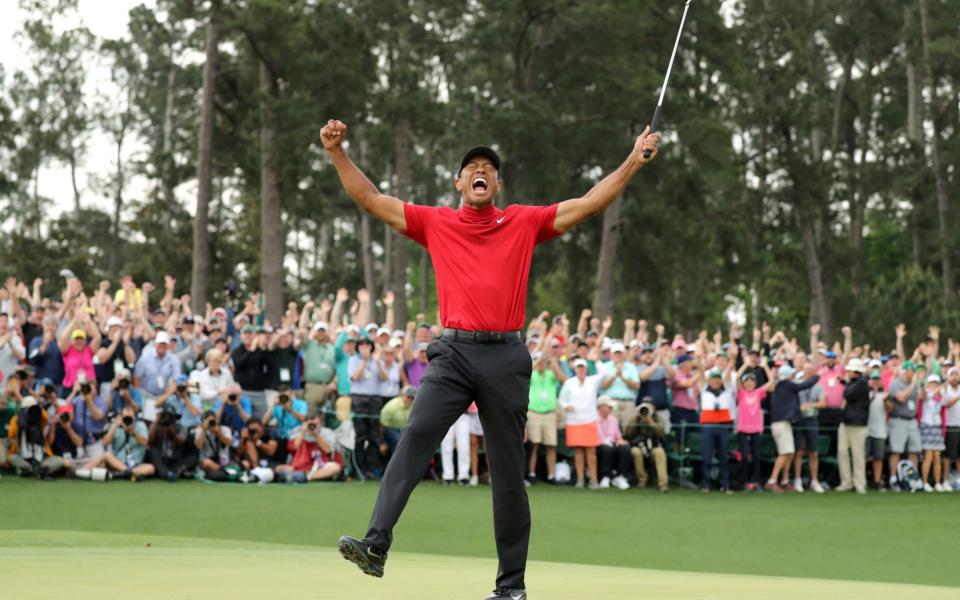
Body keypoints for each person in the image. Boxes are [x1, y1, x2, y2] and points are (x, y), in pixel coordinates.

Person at [323, 115, 660, 600]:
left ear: (497, 183)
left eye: (489, 167)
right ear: (459, 182)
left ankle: (511, 588)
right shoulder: (436, 221)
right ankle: (375, 546)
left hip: (506, 356)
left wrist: (633, 160)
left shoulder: (522, 221)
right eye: (471, 167)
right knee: (416, 435)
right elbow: (371, 199)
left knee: (506, 472)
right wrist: (337, 151)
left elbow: (588, 204)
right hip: (453, 353)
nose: (480, 170)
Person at [765, 364, 820, 492]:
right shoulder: (786, 384)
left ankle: (784, 480)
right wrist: (817, 375)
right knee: (785, 453)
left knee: (789, 452)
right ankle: (772, 481)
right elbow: (805, 385)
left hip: (784, 422)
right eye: (791, 374)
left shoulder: (782, 385)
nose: (793, 375)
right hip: (781, 423)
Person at [558, 359, 604, 489]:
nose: (581, 369)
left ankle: (594, 480)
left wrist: (596, 361)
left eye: (583, 367)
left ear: (586, 369)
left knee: (591, 452)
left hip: (590, 420)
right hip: (574, 421)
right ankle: (580, 479)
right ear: (575, 369)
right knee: (578, 452)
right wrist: (566, 406)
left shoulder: (592, 381)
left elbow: (604, 373)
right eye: (579, 367)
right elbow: (562, 399)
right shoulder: (569, 383)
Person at [349, 337, 386, 479]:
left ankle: (371, 468)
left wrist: (377, 363)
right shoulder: (353, 360)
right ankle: (359, 468)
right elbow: (355, 377)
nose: (365, 347)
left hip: (374, 399)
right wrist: (364, 361)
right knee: (360, 435)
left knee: (374, 436)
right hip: (359, 398)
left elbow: (384, 378)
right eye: (362, 345)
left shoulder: (377, 361)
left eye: (367, 345)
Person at [735, 361, 774, 492]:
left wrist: (765, 367)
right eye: (747, 381)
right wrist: (745, 364)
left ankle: (756, 481)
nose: (750, 383)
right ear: (744, 383)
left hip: (756, 429)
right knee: (745, 457)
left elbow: (771, 382)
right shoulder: (741, 393)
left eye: (752, 381)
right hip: (743, 429)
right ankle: (745, 482)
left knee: (757, 456)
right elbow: (736, 377)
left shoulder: (758, 393)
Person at [526, 350, 565, 483]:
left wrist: (552, 362)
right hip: (534, 413)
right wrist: (537, 361)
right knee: (534, 445)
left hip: (549, 413)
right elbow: (526, 372)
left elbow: (562, 378)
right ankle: (531, 473)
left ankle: (551, 475)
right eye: (538, 361)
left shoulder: (550, 374)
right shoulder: (532, 374)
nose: (541, 363)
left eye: (543, 361)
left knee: (551, 446)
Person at [87, 406, 154, 480]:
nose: (128, 420)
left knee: (150, 468)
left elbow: (145, 442)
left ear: (134, 417)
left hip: (136, 464)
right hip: (118, 463)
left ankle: (121, 474)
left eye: (130, 417)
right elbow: (104, 443)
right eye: (125, 417)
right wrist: (115, 425)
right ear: (121, 417)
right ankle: (129, 473)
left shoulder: (140, 425)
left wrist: (132, 432)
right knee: (107, 455)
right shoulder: (117, 426)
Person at [699, 364, 736, 494]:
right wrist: (699, 359)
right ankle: (706, 484)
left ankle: (725, 485)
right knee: (707, 457)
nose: (715, 381)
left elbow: (728, 374)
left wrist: (731, 360)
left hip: (723, 425)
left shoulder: (726, 390)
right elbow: (700, 370)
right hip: (708, 425)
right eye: (713, 379)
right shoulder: (704, 389)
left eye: (718, 379)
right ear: (709, 380)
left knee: (724, 456)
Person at [886, 361, 923, 490]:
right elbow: (901, 398)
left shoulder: (916, 383)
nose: (914, 374)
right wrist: (913, 384)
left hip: (912, 420)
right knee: (896, 450)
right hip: (898, 419)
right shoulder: (896, 383)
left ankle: (914, 477)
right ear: (906, 371)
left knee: (915, 449)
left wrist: (920, 384)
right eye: (912, 371)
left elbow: (923, 396)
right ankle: (893, 478)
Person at [793, 358, 827, 493]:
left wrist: (811, 405)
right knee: (799, 451)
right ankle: (797, 479)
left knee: (813, 451)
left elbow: (823, 403)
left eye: (811, 371)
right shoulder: (797, 384)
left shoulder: (818, 386)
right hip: (799, 420)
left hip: (812, 419)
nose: (808, 373)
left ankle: (814, 480)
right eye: (806, 370)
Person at [275, 415, 343, 482]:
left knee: (335, 468)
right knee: (279, 469)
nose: (311, 424)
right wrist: (302, 432)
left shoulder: (327, 432)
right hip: (300, 466)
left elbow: (328, 451)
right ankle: (306, 476)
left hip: (320, 466)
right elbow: (293, 449)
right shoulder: (298, 431)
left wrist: (316, 435)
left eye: (314, 420)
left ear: (320, 421)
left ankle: (307, 477)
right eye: (308, 421)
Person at [836, 359, 869, 494]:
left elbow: (847, 394)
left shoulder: (861, 382)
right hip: (846, 422)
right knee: (842, 452)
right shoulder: (854, 382)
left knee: (857, 454)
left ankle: (859, 483)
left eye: (850, 371)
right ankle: (846, 482)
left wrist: (846, 383)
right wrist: (846, 382)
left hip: (858, 424)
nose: (847, 373)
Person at [626, 399, 668, 492]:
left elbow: (661, 433)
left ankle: (662, 483)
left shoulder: (657, 417)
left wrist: (651, 422)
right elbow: (628, 432)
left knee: (660, 452)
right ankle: (642, 479)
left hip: (654, 446)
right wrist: (636, 419)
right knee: (635, 451)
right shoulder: (637, 417)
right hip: (640, 447)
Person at [599, 342, 640, 431]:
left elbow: (637, 386)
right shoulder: (604, 367)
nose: (618, 355)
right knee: (610, 430)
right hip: (611, 403)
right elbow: (602, 386)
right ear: (611, 354)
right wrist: (614, 376)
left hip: (628, 403)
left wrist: (622, 377)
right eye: (616, 353)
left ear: (623, 354)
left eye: (620, 353)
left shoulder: (631, 367)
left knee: (629, 430)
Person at [595, 396, 632, 490]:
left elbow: (618, 436)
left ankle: (620, 476)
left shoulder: (613, 419)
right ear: (601, 407)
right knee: (607, 449)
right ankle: (605, 477)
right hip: (598, 446)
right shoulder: (593, 419)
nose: (611, 409)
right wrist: (603, 442)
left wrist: (620, 440)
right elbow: (595, 436)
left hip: (612, 444)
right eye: (608, 406)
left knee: (625, 448)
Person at [918, 374, 946, 492]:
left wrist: (941, 389)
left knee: (937, 457)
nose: (934, 385)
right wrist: (925, 386)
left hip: (937, 426)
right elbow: (923, 396)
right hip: (927, 426)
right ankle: (924, 483)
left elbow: (943, 400)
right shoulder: (926, 393)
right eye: (932, 383)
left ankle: (938, 483)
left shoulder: (942, 395)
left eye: (936, 383)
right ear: (928, 384)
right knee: (928, 456)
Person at [865, 370, 889, 491]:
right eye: (873, 380)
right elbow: (863, 408)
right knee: (864, 456)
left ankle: (877, 481)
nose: (875, 382)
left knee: (878, 457)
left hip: (880, 430)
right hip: (866, 430)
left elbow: (889, 409)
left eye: (877, 380)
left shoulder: (885, 395)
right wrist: (872, 395)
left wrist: (884, 399)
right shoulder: (865, 394)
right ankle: (862, 480)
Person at [379, 386, 415, 460]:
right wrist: (382, 442)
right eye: (408, 397)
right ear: (403, 396)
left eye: (412, 398)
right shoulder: (392, 406)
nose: (409, 400)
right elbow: (381, 425)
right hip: (389, 428)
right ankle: (396, 463)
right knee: (399, 441)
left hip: (404, 429)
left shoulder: (414, 407)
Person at [942, 367, 960, 489]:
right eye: (952, 375)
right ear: (948, 377)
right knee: (948, 456)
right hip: (950, 426)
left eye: (956, 375)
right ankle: (945, 480)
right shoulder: (945, 390)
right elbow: (948, 404)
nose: (954, 377)